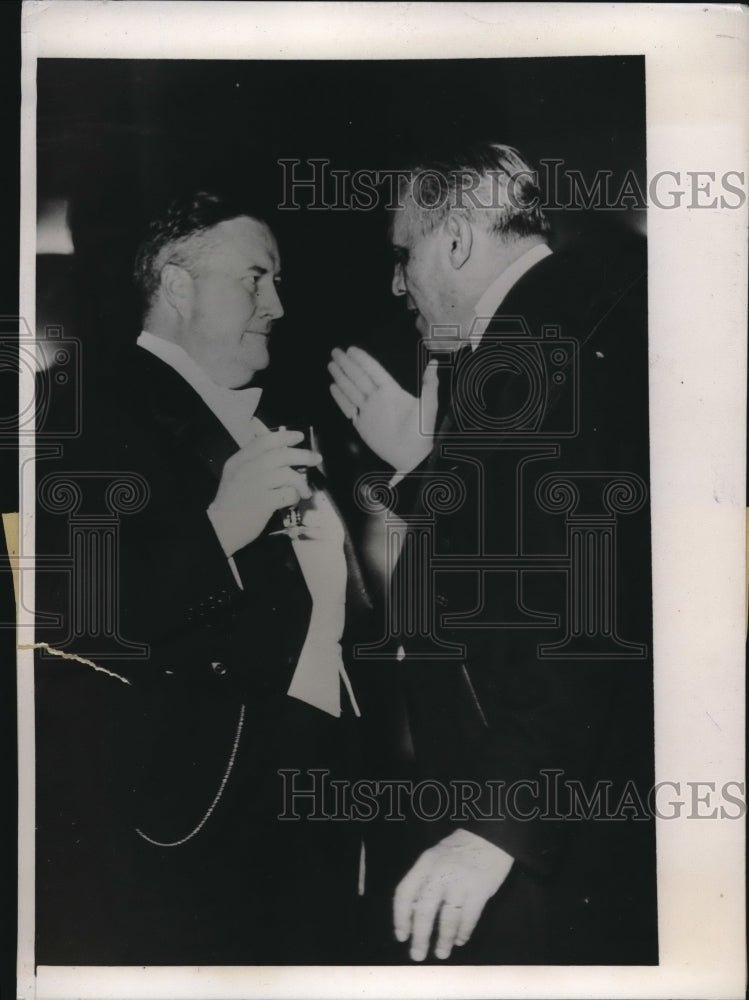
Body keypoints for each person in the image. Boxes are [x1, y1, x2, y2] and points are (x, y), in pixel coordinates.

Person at [329, 142, 656, 964]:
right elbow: (517, 550)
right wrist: (423, 466)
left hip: (532, 833)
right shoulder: (568, 320)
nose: (396, 284)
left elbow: (584, 606)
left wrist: (492, 827)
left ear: (457, 241)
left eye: (404, 254)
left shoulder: (525, 355)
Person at [34, 191, 372, 965]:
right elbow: (51, 615)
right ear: (177, 286)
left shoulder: (271, 414)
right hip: (198, 813)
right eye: (254, 279)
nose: (277, 304)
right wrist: (219, 531)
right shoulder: (76, 404)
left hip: (308, 785)